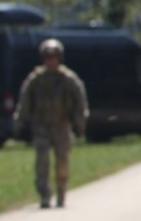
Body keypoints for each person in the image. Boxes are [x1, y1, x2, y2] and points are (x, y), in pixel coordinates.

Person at [14, 37, 89, 209]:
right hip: (41, 126)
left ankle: (61, 192)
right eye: (47, 57)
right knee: (42, 162)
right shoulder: (36, 80)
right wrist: (19, 121)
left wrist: (80, 123)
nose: (51, 61)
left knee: (62, 161)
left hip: (61, 125)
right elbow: (25, 102)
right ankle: (45, 195)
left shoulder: (68, 79)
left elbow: (80, 101)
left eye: (54, 57)